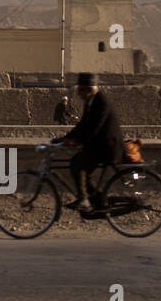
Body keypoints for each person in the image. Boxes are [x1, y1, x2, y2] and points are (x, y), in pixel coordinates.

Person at [50, 72, 123, 213]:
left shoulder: (101, 102)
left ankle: (84, 199)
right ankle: (97, 199)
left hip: (108, 147)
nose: (78, 94)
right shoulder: (91, 102)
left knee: (77, 163)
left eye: (80, 90)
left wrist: (77, 141)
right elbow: (82, 125)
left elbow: (95, 128)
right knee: (81, 166)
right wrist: (66, 137)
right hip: (100, 146)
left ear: (88, 90)